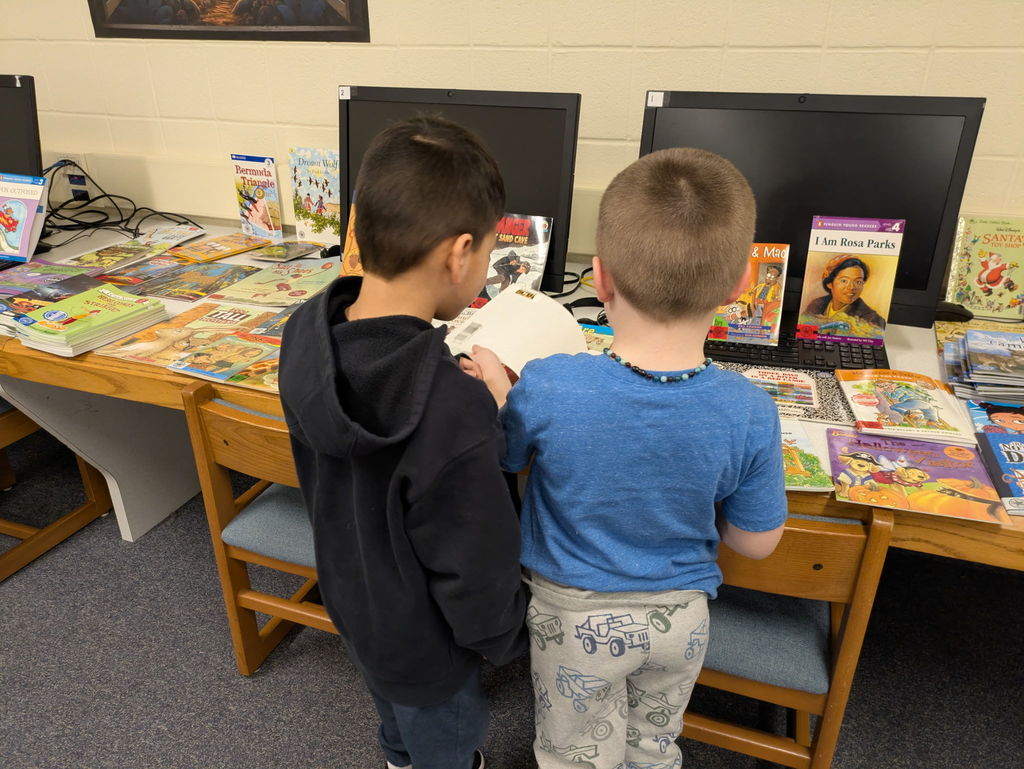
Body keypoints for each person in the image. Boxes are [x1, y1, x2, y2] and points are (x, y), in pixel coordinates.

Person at [474, 148, 788, 769]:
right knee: (654, 744)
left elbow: (506, 460)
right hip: (682, 619)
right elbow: (757, 544)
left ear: (601, 277)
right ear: (742, 284)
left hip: (573, 619)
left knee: (574, 753)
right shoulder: (750, 409)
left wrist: (504, 399)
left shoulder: (549, 386)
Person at [278, 116, 528, 769]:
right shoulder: (457, 412)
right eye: (488, 255)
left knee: (395, 723)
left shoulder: (305, 331)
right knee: (446, 740)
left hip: (356, 604)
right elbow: (477, 568)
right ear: (458, 253)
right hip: (430, 652)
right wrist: (505, 639)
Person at [801, 254, 886, 330]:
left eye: (858, 282)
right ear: (830, 283)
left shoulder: (872, 320)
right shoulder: (816, 305)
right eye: (844, 281)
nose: (851, 287)